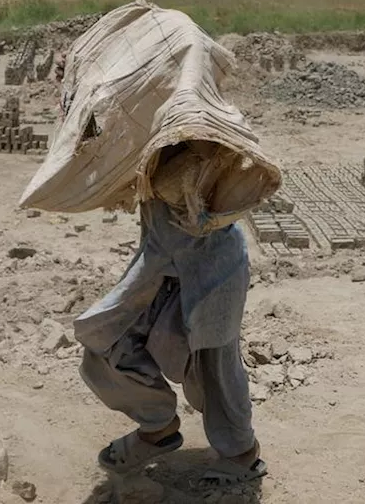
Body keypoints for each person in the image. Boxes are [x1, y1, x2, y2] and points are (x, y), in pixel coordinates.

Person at [75, 140, 267, 487]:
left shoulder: (209, 145)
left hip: (213, 274)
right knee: (107, 340)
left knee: (214, 368)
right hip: (162, 273)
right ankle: (158, 426)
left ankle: (241, 454)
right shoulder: (147, 143)